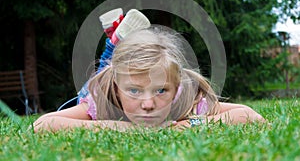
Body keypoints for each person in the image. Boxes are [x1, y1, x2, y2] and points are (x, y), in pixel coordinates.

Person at [33, 9, 265, 133]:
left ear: (176, 88)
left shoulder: (186, 98)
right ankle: (114, 45)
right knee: (105, 69)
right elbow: (42, 125)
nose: (148, 104)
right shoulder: (103, 98)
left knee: (115, 67)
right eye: (135, 91)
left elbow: (250, 116)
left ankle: (116, 42)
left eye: (161, 90)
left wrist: (189, 126)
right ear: (118, 89)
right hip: (101, 82)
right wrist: (122, 127)